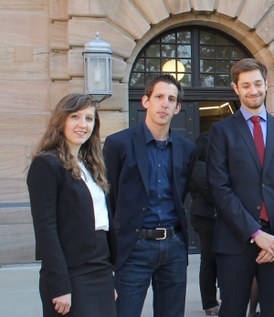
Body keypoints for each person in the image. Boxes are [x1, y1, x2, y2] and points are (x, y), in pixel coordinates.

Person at [207, 58, 274, 316]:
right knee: (233, 310)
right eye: (246, 85)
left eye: (258, 83)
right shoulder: (221, 131)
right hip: (235, 242)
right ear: (236, 89)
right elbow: (220, 188)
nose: (253, 90)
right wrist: (255, 233)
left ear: (267, 84)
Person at [104, 74, 195, 317]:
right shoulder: (118, 144)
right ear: (145, 101)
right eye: (159, 97)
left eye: (171, 99)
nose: (164, 104)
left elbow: (183, 192)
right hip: (134, 247)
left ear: (177, 108)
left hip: (174, 246)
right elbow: (108, 199)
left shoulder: (187, 149)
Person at [27, 94, 115, 317]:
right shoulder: (46, 164)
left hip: (101, 271)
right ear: (61, 120)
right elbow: (46, 229)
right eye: (75, 117)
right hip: (71, 274)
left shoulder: (90, 167)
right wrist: (60, 285)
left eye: (89, 119)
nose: (82, 125)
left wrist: (111, 276)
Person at [188, 133, 220, 316]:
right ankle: (209, 302)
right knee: (208, 260)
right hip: (206, 218)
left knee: (215, 260)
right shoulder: (198, 167)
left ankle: (213, 299)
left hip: (212, 217)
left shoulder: (208, 165)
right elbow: (212, 190)